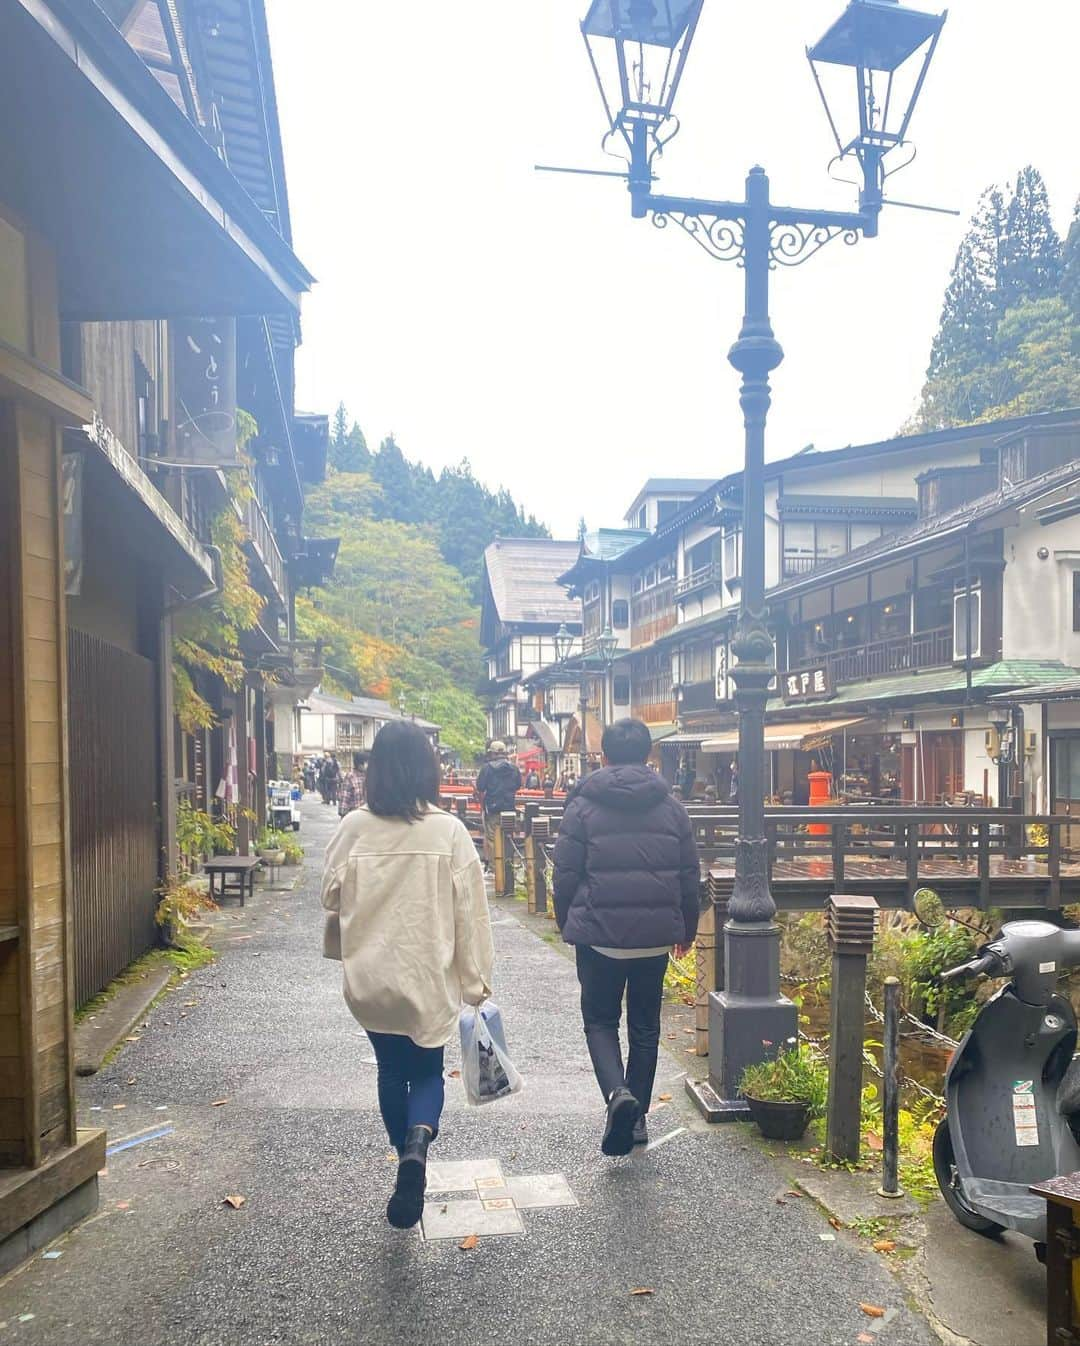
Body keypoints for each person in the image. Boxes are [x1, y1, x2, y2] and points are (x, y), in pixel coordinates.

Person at [321, 721, 493, 1230]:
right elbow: (472, 914)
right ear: (427, 770)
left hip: (372, 976)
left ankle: (403, 1158)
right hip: (428, 972)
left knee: (390, 1069)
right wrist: (476, 980)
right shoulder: (449, 831)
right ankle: (419, 1143)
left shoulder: (355, 827)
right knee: (426, 1071)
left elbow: (330, 895)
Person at [553, 718, 700, 1156]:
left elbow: (565, 875)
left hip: (598, 934)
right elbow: (688, 876)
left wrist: (568, 922)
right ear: (649, 756)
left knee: (600, 1021)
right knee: (645, 1028)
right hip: (654, 937)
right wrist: (686, 929)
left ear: (605, 756)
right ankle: (635, 1122)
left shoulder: (582, 805)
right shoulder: (672, 807)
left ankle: (618, 1094)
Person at [476, 741, 522, 868]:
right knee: (507, 837)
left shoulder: (487, 768)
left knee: (492, 839)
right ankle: (508, 867)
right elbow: (518, 785)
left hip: (493, 808)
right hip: (509, 808)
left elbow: (480, 786)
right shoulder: (514, 768)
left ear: (492, 754)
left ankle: (495, 869)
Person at [338, 750, 368, 818]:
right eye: (366, 762)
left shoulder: (370, 776)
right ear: (359, 764)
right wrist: (343, 813)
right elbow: (345, 796)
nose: (368, 764)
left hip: (367, 816)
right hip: (353, 815)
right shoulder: (351, 776)